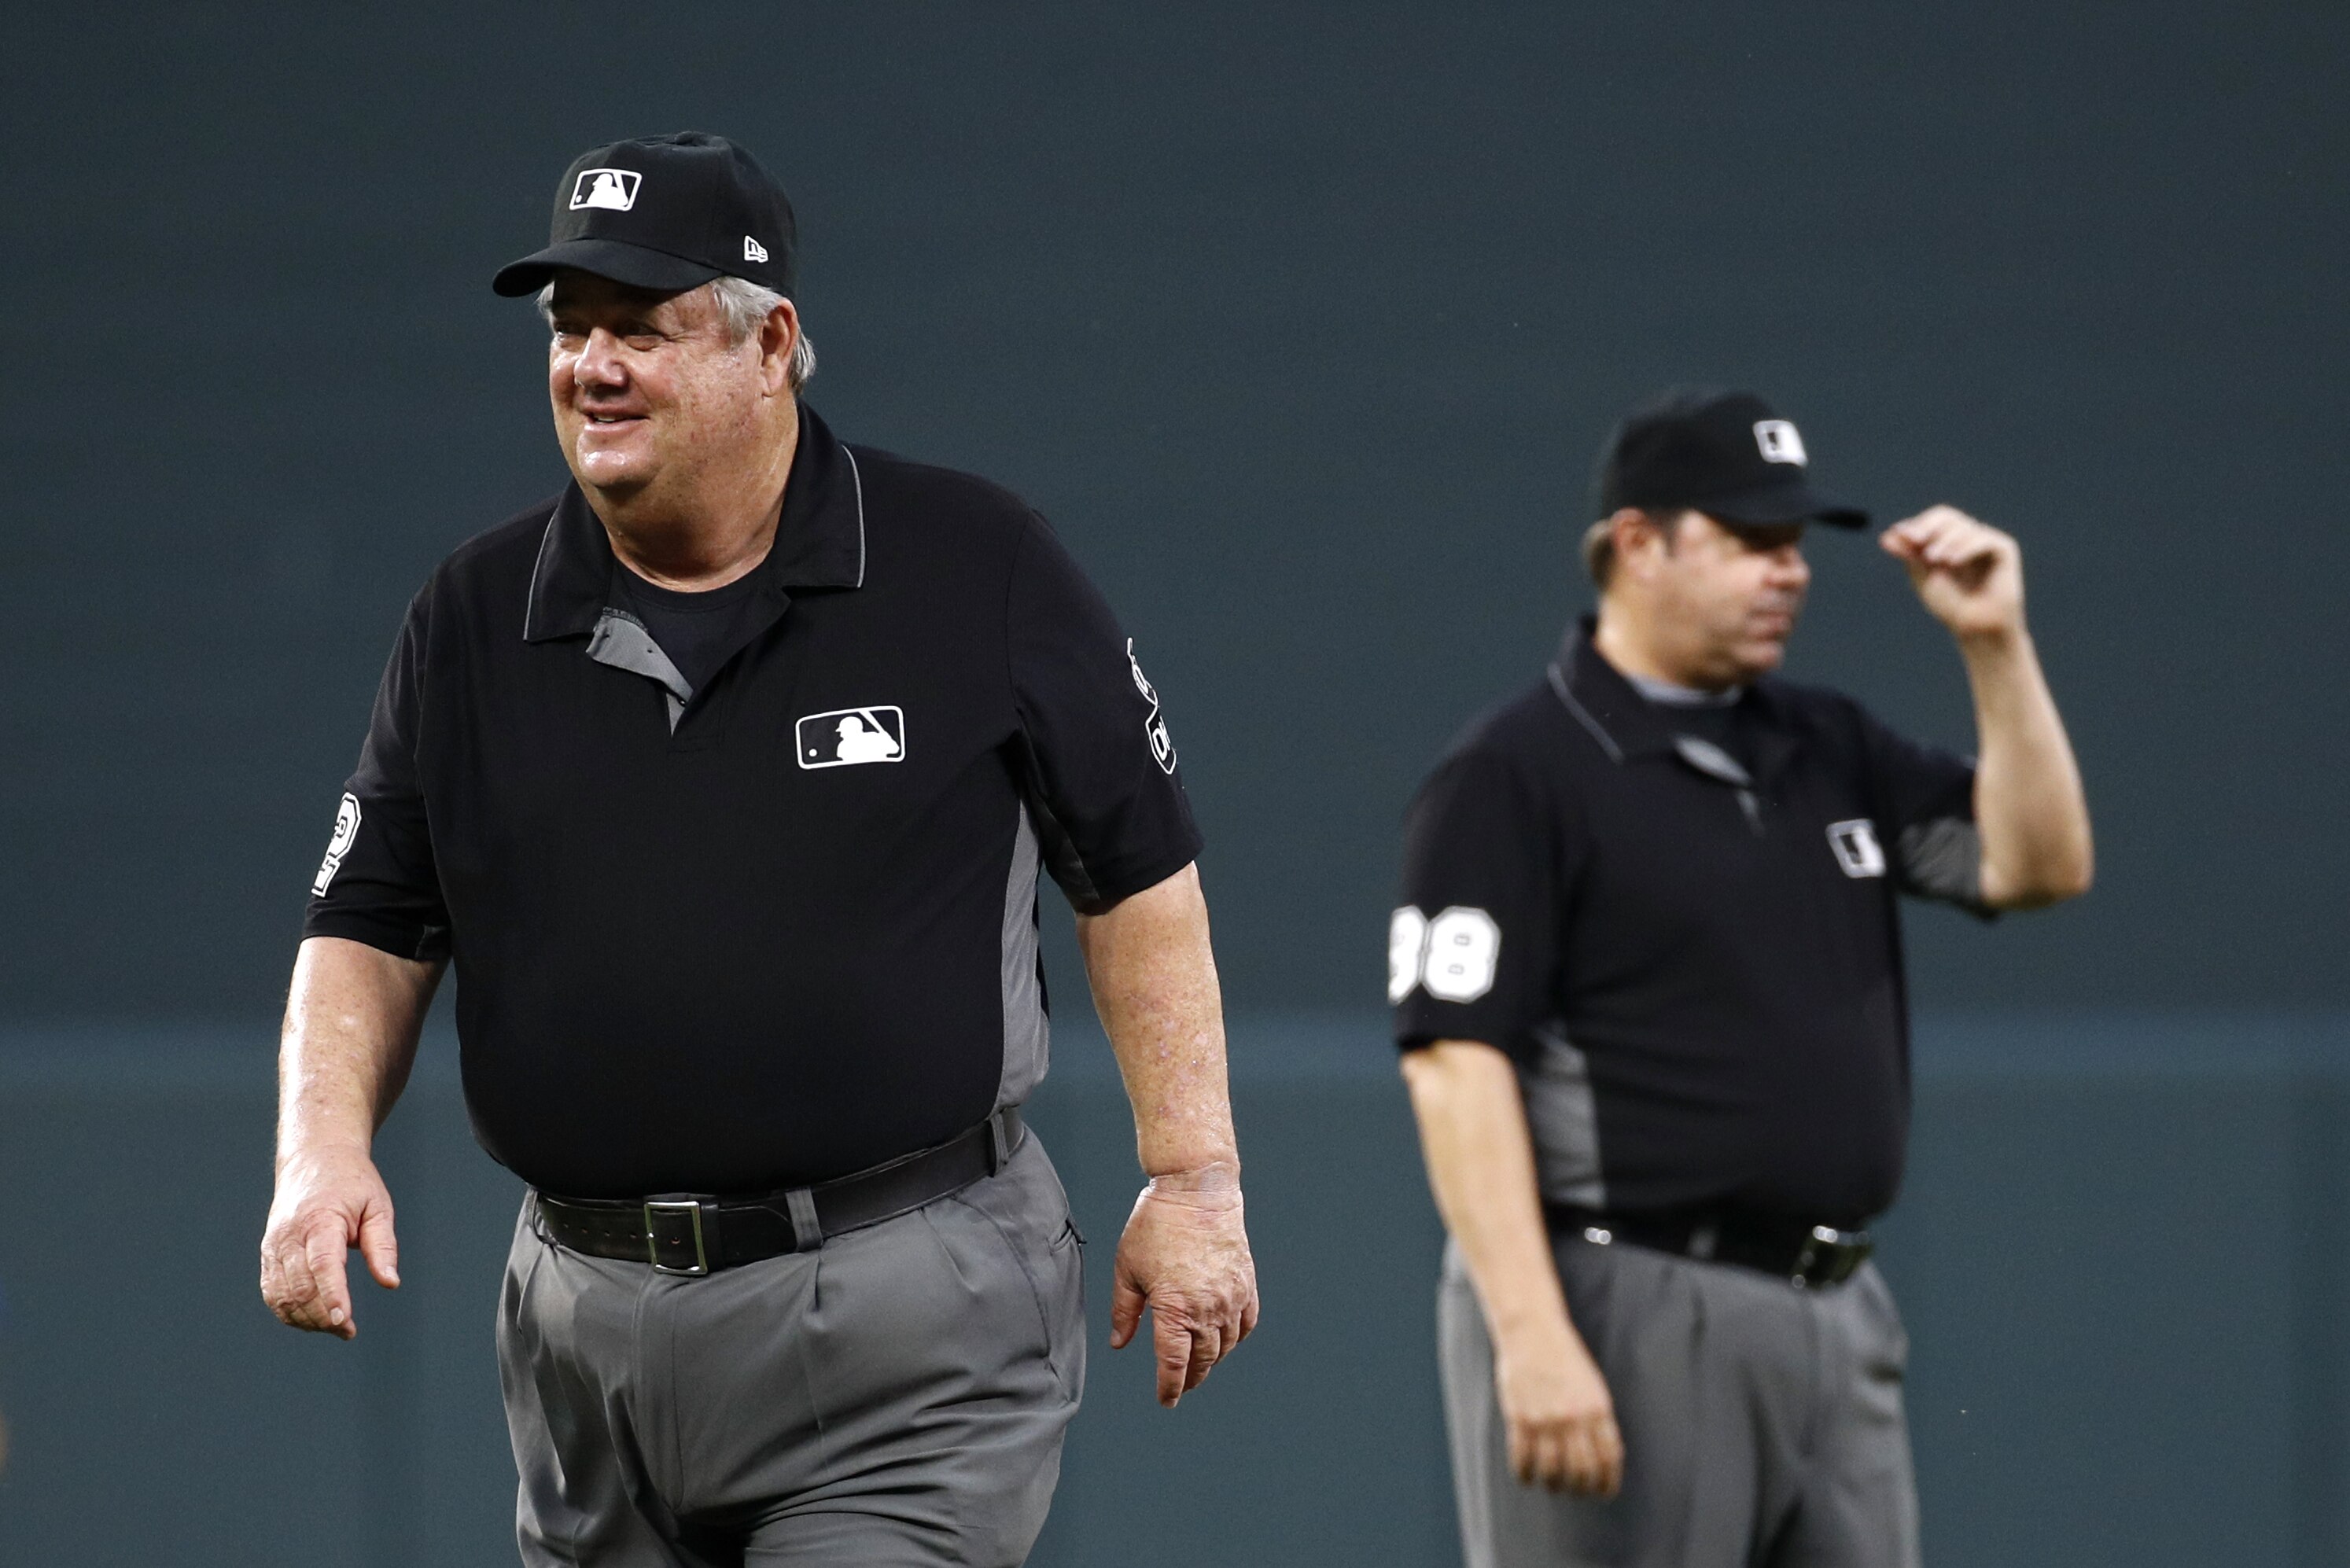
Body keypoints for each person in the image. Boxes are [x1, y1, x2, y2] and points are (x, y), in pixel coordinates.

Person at [259, 132, 1258, 1567]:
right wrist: (318, 1150)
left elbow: (1138, 870)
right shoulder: (473, 617)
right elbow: (369, 918)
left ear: (772, 343)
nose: (592, 367)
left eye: (641, 328)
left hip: (908, 1317)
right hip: (584, 1338)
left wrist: (1197, 1177)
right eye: (570, 328)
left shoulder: (972, 562)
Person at [1391, 387, 2092, 1568]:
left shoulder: (1827, 742)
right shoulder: (1517, 770)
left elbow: (2038, 864)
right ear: (1638, 543)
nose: (1791, 571)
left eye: (1797, 543)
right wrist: (1532, 1333)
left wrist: (1995, 645)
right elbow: (1456, 1065)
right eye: (1752, 539)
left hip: (1836, 1308)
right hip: (1628, 1297)